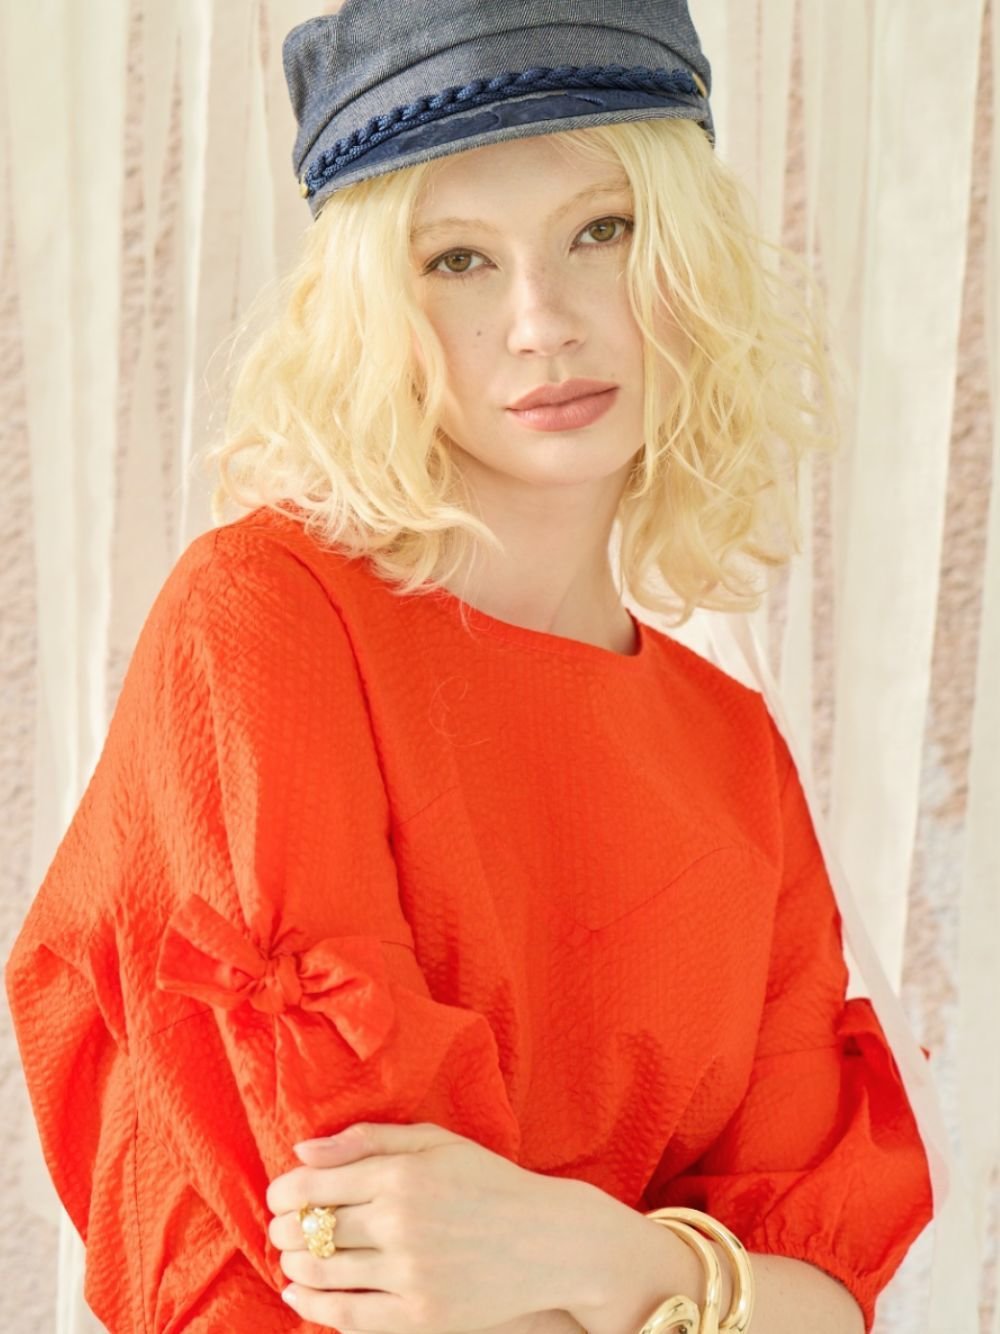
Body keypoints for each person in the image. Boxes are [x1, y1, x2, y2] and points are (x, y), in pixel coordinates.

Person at [5, 3, 937, 1332]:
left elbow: (831, 1294)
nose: (541, 322)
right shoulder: (264, 616)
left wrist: (602, 1261)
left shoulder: (733, 747)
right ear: (374, 313)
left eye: (603, 231)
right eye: (458, 260)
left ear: (691, 258)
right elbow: (371, 1266)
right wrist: (687, 1281)